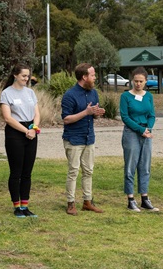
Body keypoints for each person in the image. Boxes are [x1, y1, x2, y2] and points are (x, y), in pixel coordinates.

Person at [62, 63, 105, 216]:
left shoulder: (93, 93)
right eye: (92, 75)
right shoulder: (70, 95)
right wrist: (86, 112)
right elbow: (66, 119)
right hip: (73, 139)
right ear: (84, 77)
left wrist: (96, 113)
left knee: (88, 171)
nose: (95, 78)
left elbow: (91, 114)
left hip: (89, 138)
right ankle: (70, 203)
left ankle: (87, 202)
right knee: (73, 171)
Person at [0, 63, 40, 218]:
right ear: (15, 75)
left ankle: (25, 205)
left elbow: (37, 113)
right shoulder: (7, 93)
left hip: (31, 130)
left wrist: (34, 128)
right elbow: (8, 118)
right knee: (16, 171)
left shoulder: (30, 92)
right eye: (23, 75)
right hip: (15, 133)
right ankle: (16, 206)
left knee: (27, 172)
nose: (26, 78)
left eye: (28, 75)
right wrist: (26, 131)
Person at [119, 67, 158, 212]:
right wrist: (140, 130)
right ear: (132, 81)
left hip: (146, 132)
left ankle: (145, 198)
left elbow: (152, 114)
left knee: (145, 165)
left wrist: (148, 128)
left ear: (146, 82)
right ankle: (130, 198)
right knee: (130, 165)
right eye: (135, 81)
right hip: (132, 132)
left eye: (141, 81)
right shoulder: (126, 97)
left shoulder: (148, 96)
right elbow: (125, 117)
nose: (138, 84)